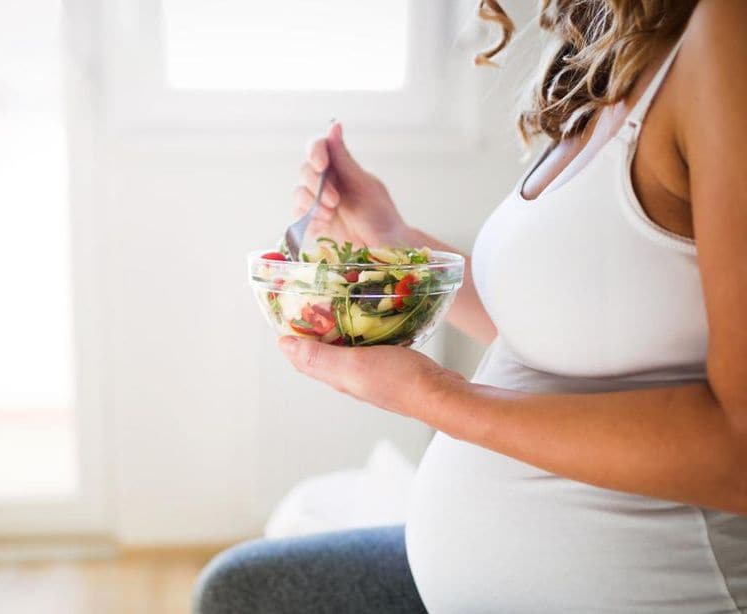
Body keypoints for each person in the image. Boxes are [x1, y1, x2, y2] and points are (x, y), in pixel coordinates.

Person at [193, 0, 747, 612]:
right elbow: (559, 329)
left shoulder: (727, 34)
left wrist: (432, 396)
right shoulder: (625, 47)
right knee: (241, 588)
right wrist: (391, 234)